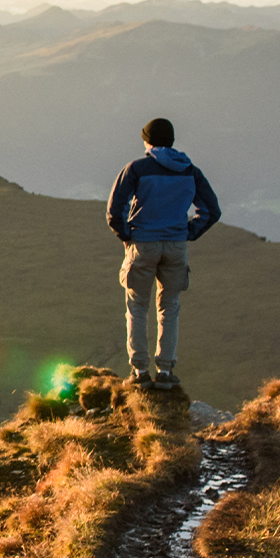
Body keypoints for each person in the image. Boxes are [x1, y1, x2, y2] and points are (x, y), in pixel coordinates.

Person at [106, 118, 220, 390]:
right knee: (169, 307)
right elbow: (211, 211)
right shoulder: (190, 171)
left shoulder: (136, 169)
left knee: (137, 306)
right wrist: (188, 232)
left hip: (143, 244)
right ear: (171, 141)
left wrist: (127, 235)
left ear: (147, 141)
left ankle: (140, 371)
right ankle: (166, 372)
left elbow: (114, 211)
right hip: (176, 246)